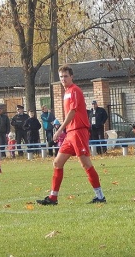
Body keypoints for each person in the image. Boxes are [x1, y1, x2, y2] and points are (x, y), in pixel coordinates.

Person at [36, 65, 106, 205]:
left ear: (72, 76)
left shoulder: (74, 90)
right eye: (61, 77)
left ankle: (100, 196)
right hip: (71, 133)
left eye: (66, 76)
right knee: (57, 162)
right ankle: (53, 198)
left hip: (78, 131)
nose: (63, 79)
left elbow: (72, 112)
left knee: (85, 164)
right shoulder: (66, 92)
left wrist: (59, 129)